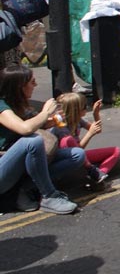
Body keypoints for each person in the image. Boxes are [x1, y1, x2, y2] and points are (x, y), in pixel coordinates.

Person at [0, 65, 77, 214]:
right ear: (19, 87)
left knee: (76, 155)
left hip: (15, 166)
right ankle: (49, 196)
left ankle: (23, 189)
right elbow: (25, 129)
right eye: (32, 82)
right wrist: (45, 112)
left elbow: (33, 124)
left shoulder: (19, 105)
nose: (36, 85)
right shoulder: (1, 106)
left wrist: (52, 120)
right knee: (32, 141)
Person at [52, 92, 118, 187]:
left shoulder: (78, 120)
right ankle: (92, 171)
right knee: (68, 140)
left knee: (115, 151)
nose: (86, 108)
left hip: (82, 157)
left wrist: (96, 114)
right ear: (75, 110)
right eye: (84, 106)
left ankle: (97, 175)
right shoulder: (60, 127)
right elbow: (78, 151)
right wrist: (89, 134)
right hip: (71, 158)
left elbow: (97, 130)